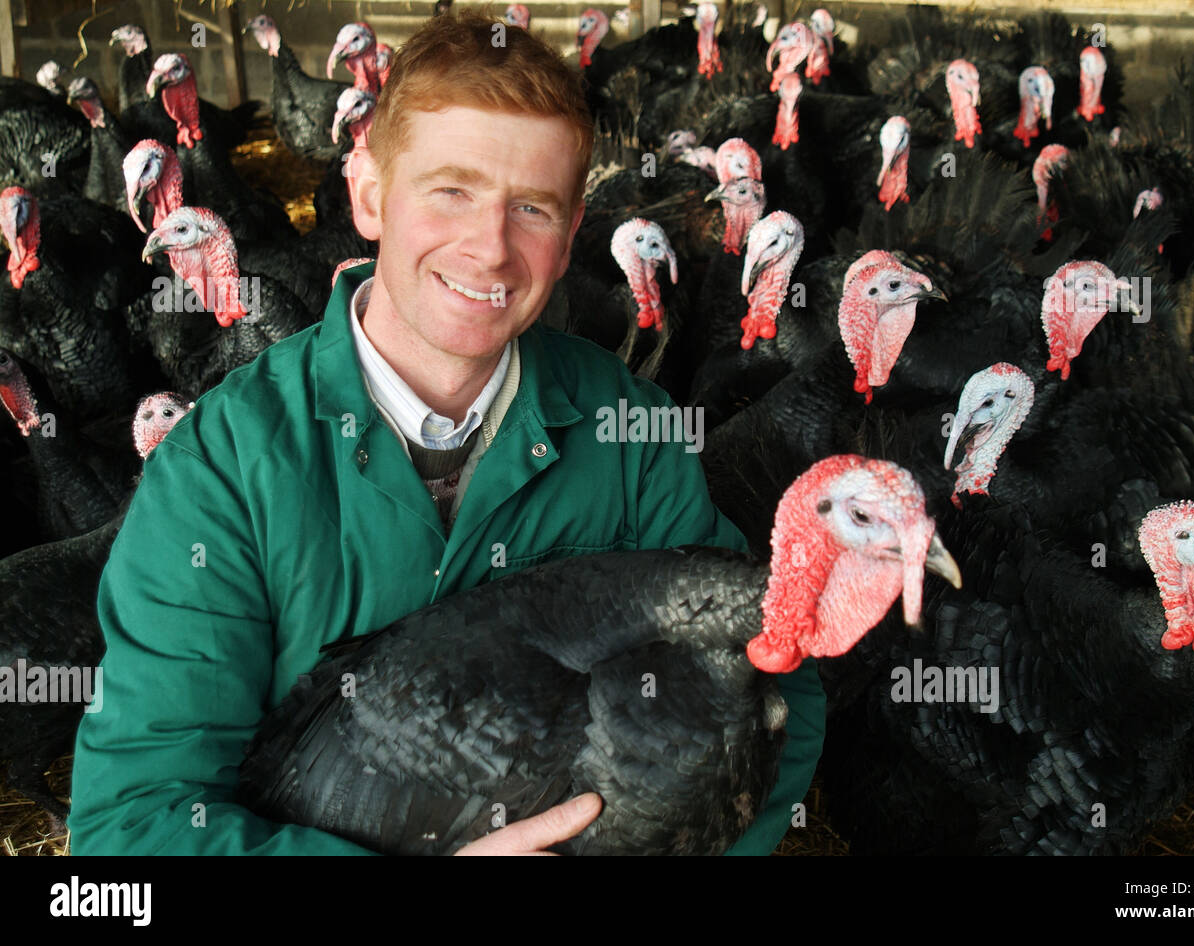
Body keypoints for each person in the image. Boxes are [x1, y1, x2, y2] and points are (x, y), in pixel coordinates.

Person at [69, 10, 824, 855]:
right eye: (451, 190)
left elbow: (768, 673)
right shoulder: (220, 472)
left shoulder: (632, 435)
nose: (490, 248)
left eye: (532, 207)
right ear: (368, 194)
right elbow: (132, 828)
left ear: (574, 233)